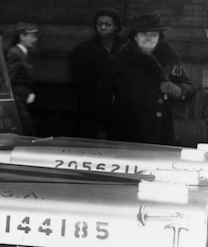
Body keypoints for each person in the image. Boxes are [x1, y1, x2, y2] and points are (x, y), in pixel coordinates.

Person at [95, 14, 194, 145]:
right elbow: (103, 97)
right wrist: (101, 129)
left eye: (154, 35)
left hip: (160, 130)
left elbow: (187, 85)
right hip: (127, 130)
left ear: (159, 37)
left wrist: (177, 90)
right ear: (135, 37)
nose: (149, 39)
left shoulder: (169, 56)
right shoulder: (118, 59)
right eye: (144, 34)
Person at [68, 9, 124, 138]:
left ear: (115, 26)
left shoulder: (126, 47)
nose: (103, 27)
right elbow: (79, 79)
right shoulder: (83, 49)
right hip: (92, 104)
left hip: (121, 104)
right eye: (100, 24)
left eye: (108, 24)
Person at [6, 22, 39, 136]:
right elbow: (9, 79)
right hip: (17, 99)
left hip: (22, 98)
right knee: (27, 130)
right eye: (31, 36)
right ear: (21, 36)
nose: (34, 40)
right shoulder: (16, 53)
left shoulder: (22, 53)